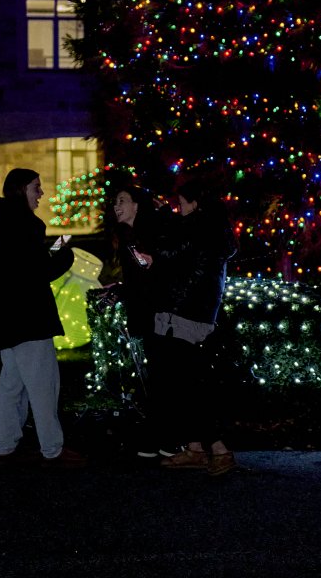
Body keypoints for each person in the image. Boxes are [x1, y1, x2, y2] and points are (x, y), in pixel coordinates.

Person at [0, 167, 87, 468]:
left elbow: (25, 263)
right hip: (28, 317)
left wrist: (52, 250)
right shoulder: (25, 224)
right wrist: (66, 255)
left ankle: (7, 445)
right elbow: (40, 271)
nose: (41, 193)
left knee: (12, 384)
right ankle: (52, 449)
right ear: (20, 189)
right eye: (36, 187)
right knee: (43, 385)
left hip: (5, 318)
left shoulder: (3, 223)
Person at [143, 180, 240, 476]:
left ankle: (219, 448)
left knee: (190, 383)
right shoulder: (209, 228)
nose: (179, 209)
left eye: (182, 203)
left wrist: (160, 231)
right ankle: (196, 447)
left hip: (185, 312)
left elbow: (173, 253)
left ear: (196, 203)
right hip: (191, 312)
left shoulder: (200, 230)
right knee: (184, 382)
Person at [108, 182, 178, 458]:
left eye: (122, 200)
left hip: (159, 314)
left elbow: (157, 272)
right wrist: (119, 291)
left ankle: (170, 439)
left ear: (137, 205)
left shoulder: (150, 234)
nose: (116, 206)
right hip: (144, 314)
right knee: (153, 376)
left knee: (164, 375)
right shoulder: (126, 235)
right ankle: (158, 437)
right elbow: (136, 279)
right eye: (115, 201)